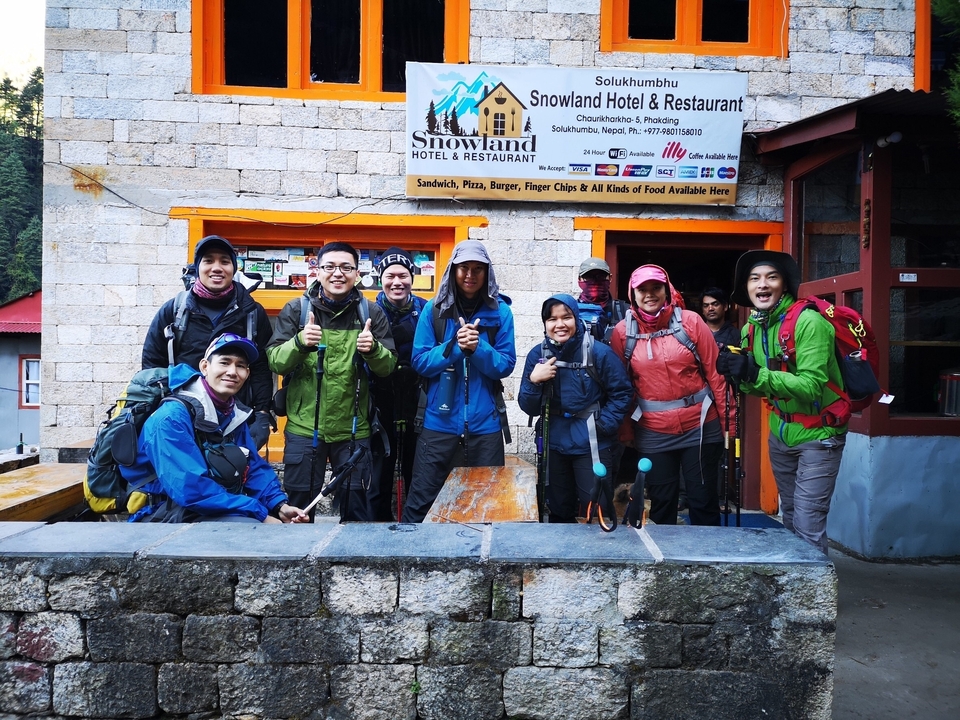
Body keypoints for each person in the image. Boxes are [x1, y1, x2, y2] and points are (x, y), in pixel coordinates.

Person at [717, 250, 847, 553]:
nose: (762, 284)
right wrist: (739, 374)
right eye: (754, 279)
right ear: (746, 288)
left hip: (819, 434)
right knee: (789, 517)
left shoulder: (809, 323)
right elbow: (761, 388)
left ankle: (813, 597)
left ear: (784, 285)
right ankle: (795, 587)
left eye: (771, 277)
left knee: (807, 522)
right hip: (781, 435)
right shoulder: (752, 328)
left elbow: (813, 387)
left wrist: (755, 373)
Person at [267, 242, 396, 522]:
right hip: (304, 427)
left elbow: (388, 367)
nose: (338, 273)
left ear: (357, 273)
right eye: (330, 267)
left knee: (356, 510)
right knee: (300, 508)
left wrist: (373, 349)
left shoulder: (370, 313)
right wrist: (300, 342)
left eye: (346, 267)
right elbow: (275, 361)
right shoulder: (296, 310)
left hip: (355, 428)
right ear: (318, 271)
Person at [122, 334, 308, 524]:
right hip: (161, 511)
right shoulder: (171, 418)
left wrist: (279, 505)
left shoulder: (232, 414)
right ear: (205, 366)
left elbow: (251, 466)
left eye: (241, 366)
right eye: (224, 363)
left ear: (247, 374)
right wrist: (259, 513)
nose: (232, 372)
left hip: (207, 505)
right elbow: (191, 488)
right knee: (254, 528)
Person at [402, 240, 516, 523]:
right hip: (437, 425)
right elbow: (420, 361)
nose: (470, 275)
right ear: (453, 270)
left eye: (478, 269)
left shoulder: (501, 312)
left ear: (487, 273)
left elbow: (505, 364)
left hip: (485, 426)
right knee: (421, 503)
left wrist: (478, 348)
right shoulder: (434, 311)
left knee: (486, 503)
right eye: (464, 267)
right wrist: (454, 348)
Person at [611, 264, 729, 527]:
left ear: (667, 290)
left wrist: (728, 423)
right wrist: (626, 431)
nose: (650, 294)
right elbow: (622, 386)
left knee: (703, 499)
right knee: (662, 501)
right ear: (633, 294)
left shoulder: (691, 321)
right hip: (654, 431)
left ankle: (708, 562)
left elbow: (716, 374)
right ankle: (666, 565)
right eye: (643, 289)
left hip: (700, 425)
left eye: (656, 288)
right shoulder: (623, 332)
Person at [141, 235, 274, 449]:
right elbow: (152, 363)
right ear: (197, 267)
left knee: (236, 477)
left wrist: (262, 413)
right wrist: (155, 408)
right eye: (208, 260)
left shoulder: (252, 313)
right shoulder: (174, 310)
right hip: (182, 415)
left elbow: (261, 367)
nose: (217, 267)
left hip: (235, 418)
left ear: (234, 268)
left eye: (224, 261)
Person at [518, 294, 632, 522]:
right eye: (552, 319)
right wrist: (534, 381)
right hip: (554, 442)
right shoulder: (537, 355)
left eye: (566, 317)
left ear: (576, 319)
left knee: (596, 508)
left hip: (591, 442)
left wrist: (602, 426)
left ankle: (598, 555)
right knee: (559, 508)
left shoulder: (599, 353)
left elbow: (622, 393)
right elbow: (528, 407)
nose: (559, 324)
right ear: (545, 324)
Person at [369, 247, 428, 521]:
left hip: (417, 398)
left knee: (415, 466)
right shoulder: (368, 310)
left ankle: (413, 524)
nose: (397, 282)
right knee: (380, 465)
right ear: (381, 277)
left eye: (403, 275)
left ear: (411, 278)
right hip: (379, 398)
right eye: (390, 275)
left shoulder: (426, 309)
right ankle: (378, 523)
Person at [577, 257, 630, 343]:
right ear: (579, 280)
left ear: (610, 278)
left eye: (601, 276)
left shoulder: (625, 311)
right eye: (588, 277)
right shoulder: (570, 312)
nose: (595, 281)